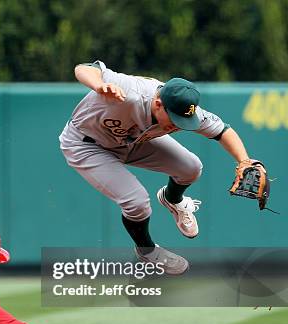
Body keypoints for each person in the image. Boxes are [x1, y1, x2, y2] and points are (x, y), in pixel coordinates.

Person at [59, 61, 265, 274]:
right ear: (158, 103)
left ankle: (173, 199)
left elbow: (223, 131)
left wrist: (244, 160)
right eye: (175, 119)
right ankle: (147, 251)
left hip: (131, 142)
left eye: (183, 121)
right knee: (137, 202)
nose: (177, 126)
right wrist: (98, 85)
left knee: (191, 167)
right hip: (86, 144)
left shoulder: (185, 110)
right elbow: (82, 68)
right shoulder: (131, 91)